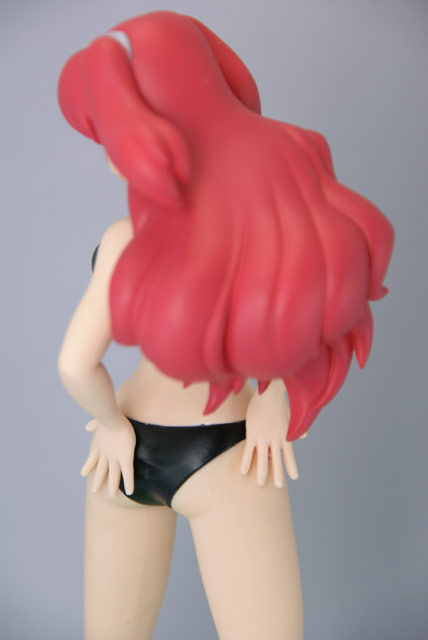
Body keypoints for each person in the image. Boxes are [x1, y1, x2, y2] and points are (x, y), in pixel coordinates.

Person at [57, 11, 394, 640]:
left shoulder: (124, 240)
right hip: (227, 450)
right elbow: (293, 322)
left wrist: (111, 425)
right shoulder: (261, 220)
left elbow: (75, 366)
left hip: (123, 453)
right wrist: (272, 400)